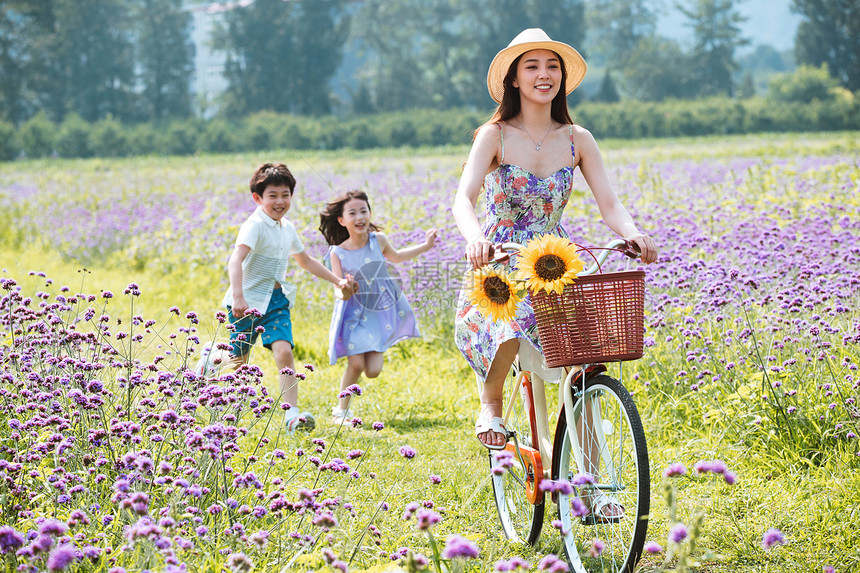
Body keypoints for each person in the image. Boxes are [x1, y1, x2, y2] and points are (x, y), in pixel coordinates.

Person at [451, 29, 658, 519]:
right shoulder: (494, 135)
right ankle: (491, 404)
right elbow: (464, 197)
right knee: (503, 320)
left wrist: (633, 233)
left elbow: (610, 202)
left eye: (552, 66)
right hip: (499, 260)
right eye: (532, 66)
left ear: (562, 77)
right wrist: (475, 238)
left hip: (553, 261)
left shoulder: (577, 139)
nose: (544, 75)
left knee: (582, 369)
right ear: (514, 79)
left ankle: (592, 482)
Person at [217, 162, 355, 434]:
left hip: (276, 301)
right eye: (272, 195)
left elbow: (305, 261)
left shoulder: (287, 228)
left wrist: (337, 280)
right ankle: (213, 361)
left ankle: (291, 416)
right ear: (257, 198)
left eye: (285, 195)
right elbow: (236, 260)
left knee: (284, 352)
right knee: (238, 361)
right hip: (246, 304)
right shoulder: (254, 225)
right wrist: (238, 296)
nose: (280, 201)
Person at [319, 190, 436, 424]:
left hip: (378, 313)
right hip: (352, 313)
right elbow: (336, 286)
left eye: (363, 211)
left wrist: (426, 245)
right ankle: (342, 411)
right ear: (342, 220)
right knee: (356, 364)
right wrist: (345, 288)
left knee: (372, 370)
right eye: (352, 212)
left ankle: (373, 350)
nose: (360, 216)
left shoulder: (378, 241)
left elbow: (398, 257)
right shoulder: (338, 253)